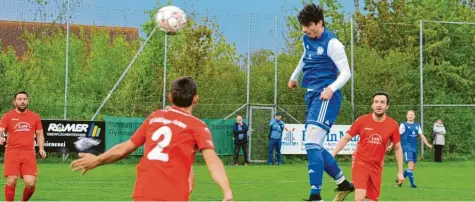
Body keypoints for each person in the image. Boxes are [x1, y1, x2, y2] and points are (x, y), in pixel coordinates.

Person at [70, 76, 233, 201]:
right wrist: (227, 191)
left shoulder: (155, 117)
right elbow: (213, 162)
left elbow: (125, 148)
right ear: (195, 99)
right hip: (172, 195)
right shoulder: (198, 126)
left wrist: (97, 160)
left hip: (143, 192)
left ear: (170, 97)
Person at [288, 3, 354, 201]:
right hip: (311, 95)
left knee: (310, 143)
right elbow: (304, 57)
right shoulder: (306, 39)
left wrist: (331, 88)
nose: (305, 30)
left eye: (308, 25)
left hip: (326, 96)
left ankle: (315, 195)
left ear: (320, 23)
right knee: (315, 145)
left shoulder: (333, 44)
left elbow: (346, 73)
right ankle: (343, 183)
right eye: (303, 26)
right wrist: (294, 76)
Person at [332, 92, 405, 201]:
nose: (378, 105)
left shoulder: (393, 125)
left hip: (377, 167)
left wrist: (400, 172)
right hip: (360, 162)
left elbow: (398, 148)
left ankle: (344, 191)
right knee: (360, 198)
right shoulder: (362, 120)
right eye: (376, 102)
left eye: (382, 102)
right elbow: (346, 138)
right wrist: (333, 154)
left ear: (387, 106)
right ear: (372, 105)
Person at [0, 91, 46, 201]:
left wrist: (41, 148)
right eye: (19, 99)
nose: (22, 101)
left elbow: (39, 134)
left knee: (30, 183)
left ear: (28, 101)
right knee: (12, 180)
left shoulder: (34, 117)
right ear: (14, 102)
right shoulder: (8, 116)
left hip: (29, 153)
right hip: (12, 152)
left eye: (24, 99)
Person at [387, 110, 432, 188]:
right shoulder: (403, 125)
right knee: (410, 166)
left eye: (412, 114)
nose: (410, 116)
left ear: (414, 116)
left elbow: (421, 136)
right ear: (407, 116)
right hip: (407, 147)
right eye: (409, 114)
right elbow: (397, 136)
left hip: (414, 148)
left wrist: (427, 144)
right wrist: (391, 145)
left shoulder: (417, 125)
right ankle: (412, 184)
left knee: (412, 168)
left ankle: (399, 178)